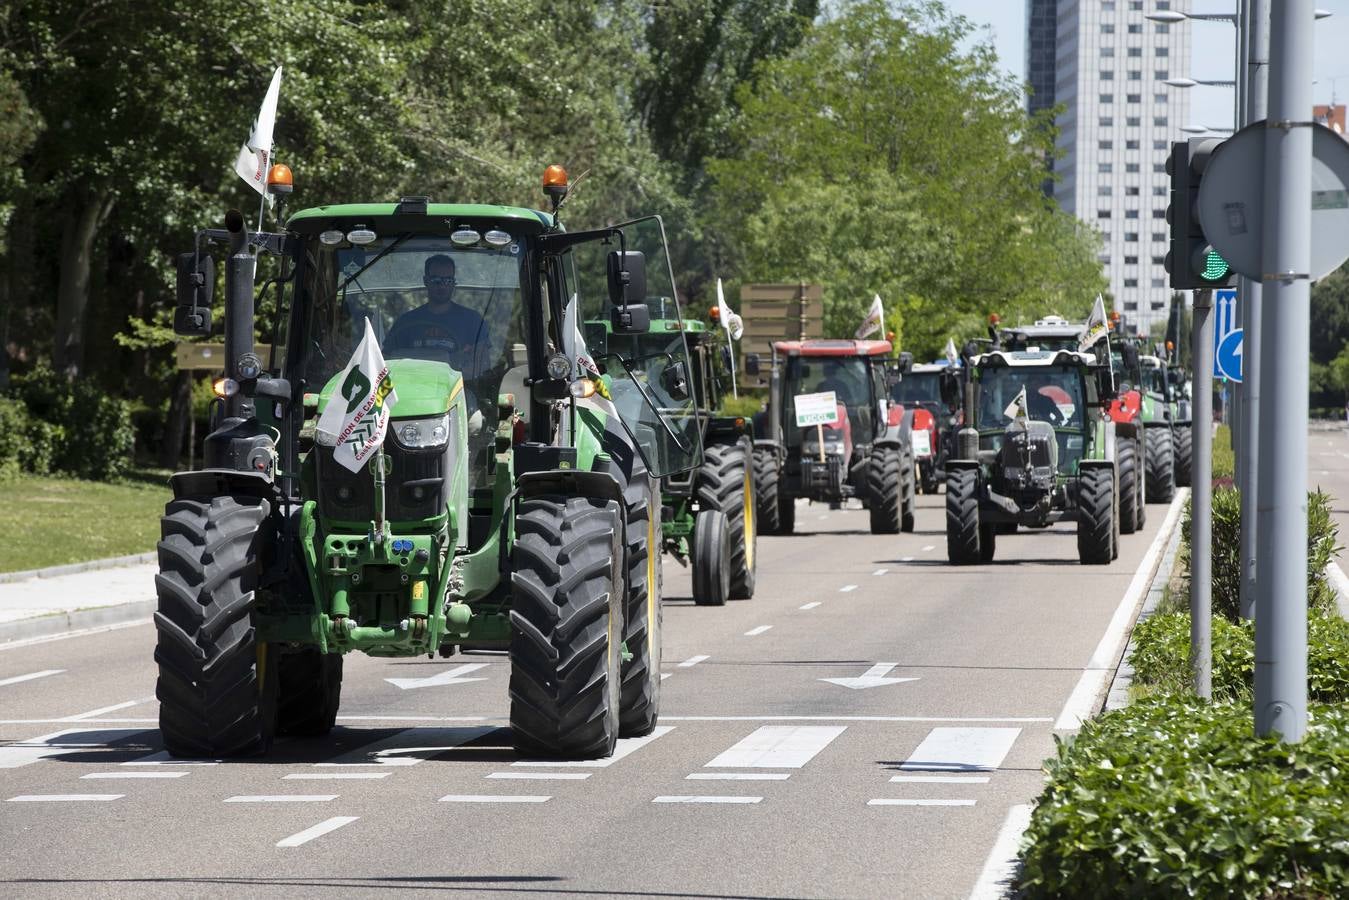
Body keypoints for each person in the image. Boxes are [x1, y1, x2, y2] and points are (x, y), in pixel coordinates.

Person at [385, 254, 493, 380]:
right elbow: (386, 364)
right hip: (412, 391)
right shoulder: (405, 323)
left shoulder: (473, 321)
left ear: (454, 283)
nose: (442, 286)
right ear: (425, 281)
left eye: (448, 281)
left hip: (461, 393)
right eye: (436, 280)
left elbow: (483, 366)